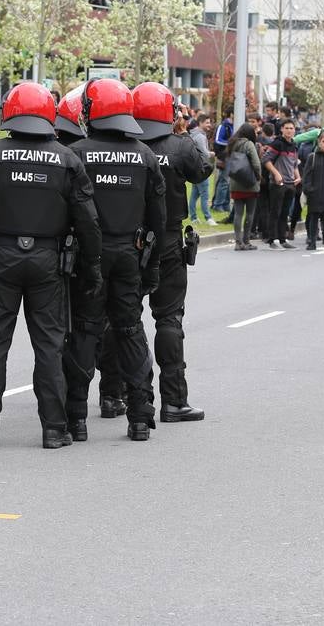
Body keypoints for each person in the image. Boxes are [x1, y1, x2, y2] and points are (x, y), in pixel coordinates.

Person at [0, 82, 102, 449]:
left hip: (0, 257)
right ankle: (55, 429)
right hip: (48, 261)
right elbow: (88, 222)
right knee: (49, 346)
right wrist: (92, 267)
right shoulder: (66, 159)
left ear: (11, 111)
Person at [60, 78, 165, 442]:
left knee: (85, 332)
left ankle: (75, 418)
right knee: (131, 331)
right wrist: (151, 266)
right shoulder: (145, 155)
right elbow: (158, 218)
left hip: (90, 256)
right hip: (130, 254)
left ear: (91, 112)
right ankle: (139, 416)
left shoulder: (78, 153)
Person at [134, 82, 212, 423]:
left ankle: (129, 396)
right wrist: (190, 134)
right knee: (168, 319)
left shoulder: (125, 146)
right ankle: (174, 401)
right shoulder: (180, 146)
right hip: (166, 241)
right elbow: (203, 170)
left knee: (125, 321)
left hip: (129, 241)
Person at [261, 119, 301, 249]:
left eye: (291, 128)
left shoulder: (294, 145)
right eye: (287, 128)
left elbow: (294, 164)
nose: (289, 130)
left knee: (285, 213)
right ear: (282, 129)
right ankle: (272, 239)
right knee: (275, 211)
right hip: (278, 183)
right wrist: (276, 173)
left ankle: (283, 239)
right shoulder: (277, 143)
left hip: (290, 183)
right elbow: (266, 160)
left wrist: (298, 176)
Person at [227, 123, 263, 250]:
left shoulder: (232, 144)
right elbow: (256, 163)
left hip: (236, 183)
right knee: (250, 213)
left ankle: (238, 242)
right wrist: (258, 177)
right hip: (250, 183)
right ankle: (246, 241)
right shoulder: (249, 144)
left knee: (238, 213)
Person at [187, 112, 216, 225]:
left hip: (196, 168)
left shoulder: (195, 134)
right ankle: (208, 218)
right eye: (207, 123)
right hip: (202, 169)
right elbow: (204, 153)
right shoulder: (200, 136)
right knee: (205, 194)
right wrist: (212, 153)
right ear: (200, 123)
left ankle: (194, 218)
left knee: (194, 194)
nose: (209, 125)